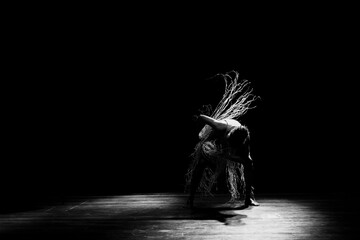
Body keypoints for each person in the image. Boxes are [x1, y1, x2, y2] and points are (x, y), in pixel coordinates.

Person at [186, 113, 259, 208]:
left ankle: (248, 198)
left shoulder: (245, 142)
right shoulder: (220, 126)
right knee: (201, 163)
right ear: (229, 134)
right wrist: (196, 118)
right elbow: (202, 117)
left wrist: (228, 156)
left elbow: (246, 160)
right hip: (215, 140)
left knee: (249, 164)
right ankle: (191, 198)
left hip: (227, 149)